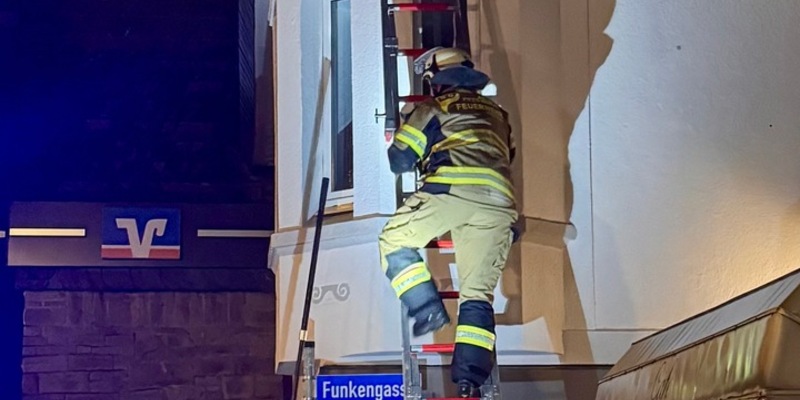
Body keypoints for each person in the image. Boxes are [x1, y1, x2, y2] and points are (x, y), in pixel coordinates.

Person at [378, 47, 518, 398]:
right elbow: (506, 154)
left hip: (452, 191)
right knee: (477, 295)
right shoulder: (499, 113)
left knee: (394, 240)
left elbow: (399, 161)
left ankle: (427, 310)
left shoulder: (433, 108)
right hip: (500, 205)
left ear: (434, 79)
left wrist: (400, 131)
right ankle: (470, 381)